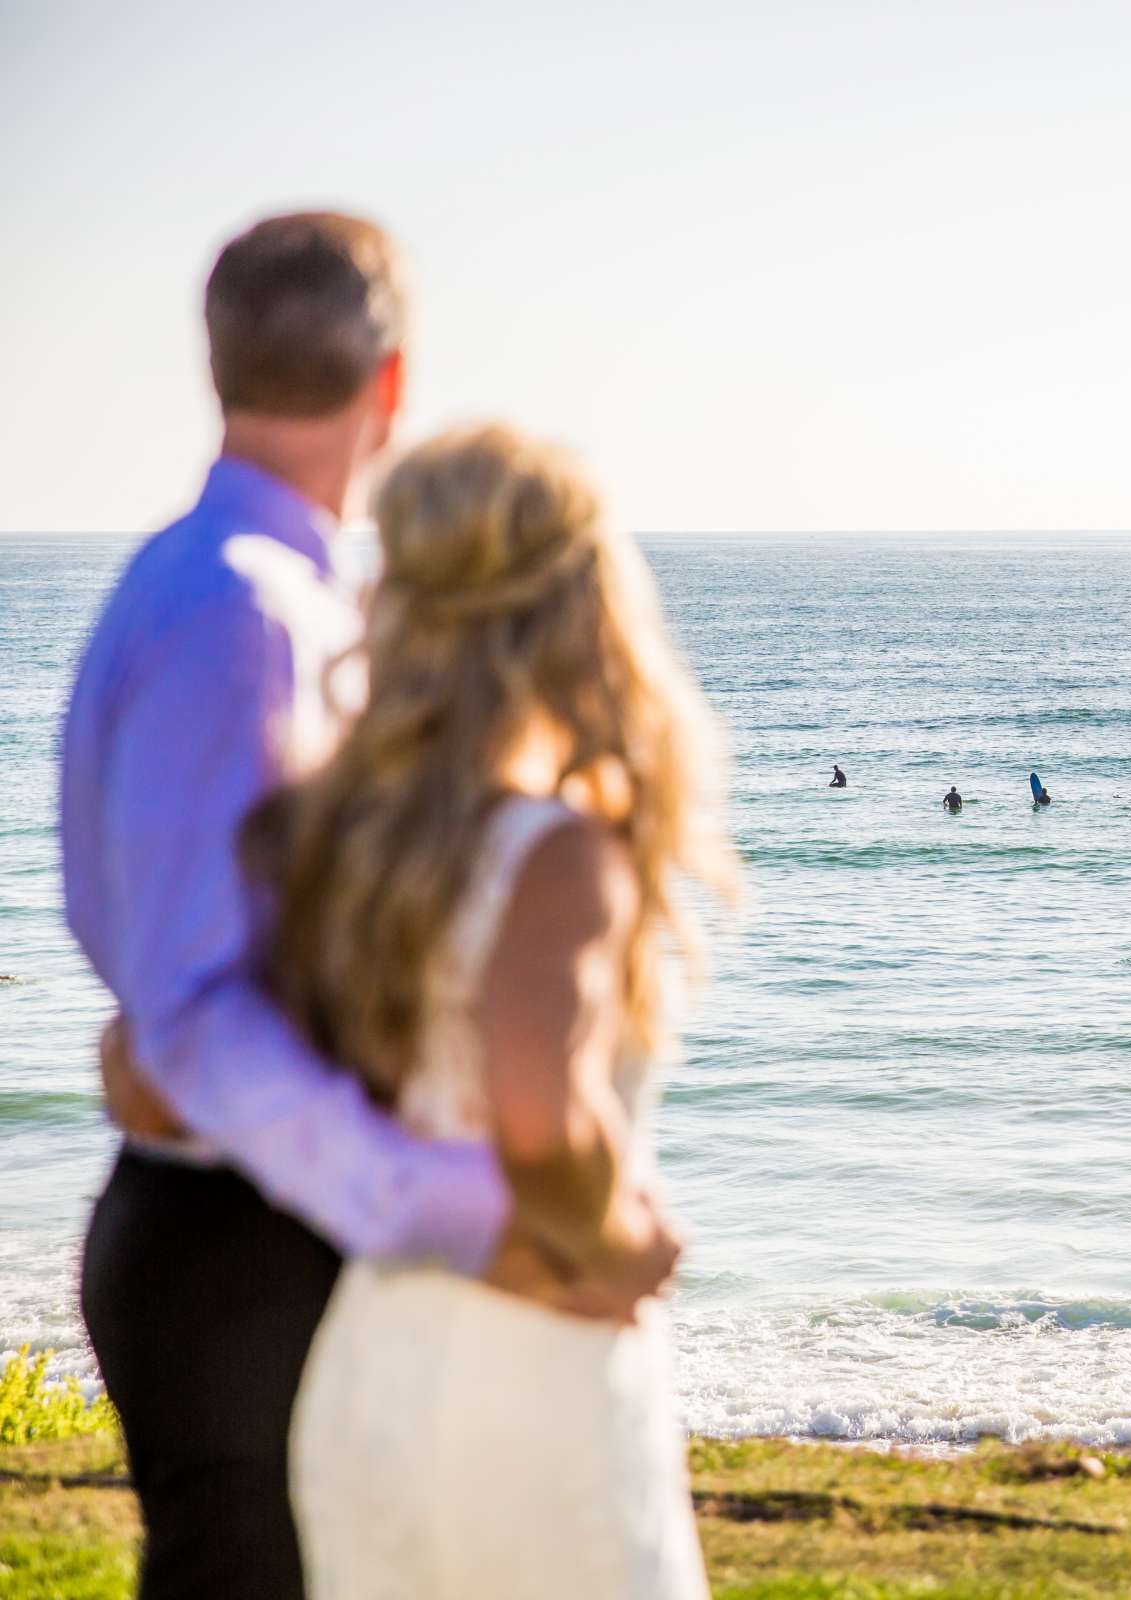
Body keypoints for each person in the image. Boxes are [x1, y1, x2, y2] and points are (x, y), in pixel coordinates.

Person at [59, 213, 673, 1600]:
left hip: (275, 1224)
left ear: (217, 365)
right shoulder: (245, 612)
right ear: (389, 386)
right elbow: (199, 1022)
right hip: (237, 1242)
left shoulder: (270, 592)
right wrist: (454, 1210)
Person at [260, 424, 734, 1598]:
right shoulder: (552, 851)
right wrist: (627, 1243)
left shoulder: (347, 837)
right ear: (580, 604)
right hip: (537, 1366)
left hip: (373, 1355)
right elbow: (540, 1121)